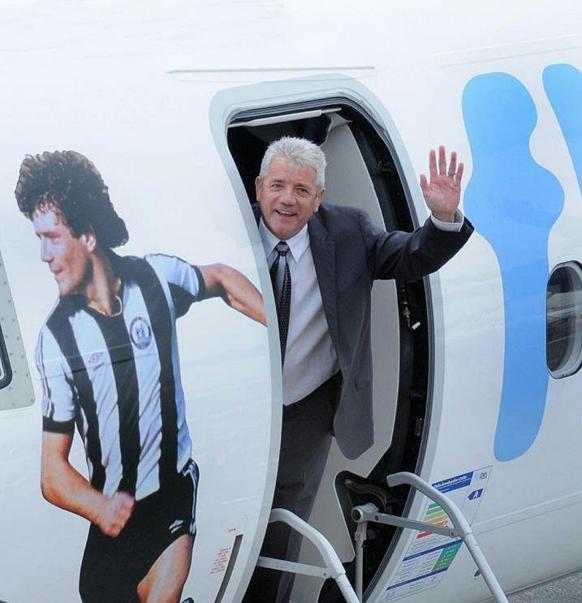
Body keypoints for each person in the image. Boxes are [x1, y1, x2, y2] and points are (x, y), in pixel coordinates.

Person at [17, 150, 266, 603]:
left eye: (52, 238)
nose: (44, 255)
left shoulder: (155, 279)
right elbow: (52, 473)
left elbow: (223, 278)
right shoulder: (56, 339)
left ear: (88, 235)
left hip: (172, 493)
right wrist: (99, 507)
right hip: (115, 516)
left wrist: (282, 334)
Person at [245, 137, 472, 602]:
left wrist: (444, 219)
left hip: (303, 405)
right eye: (278, 186)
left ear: (319, 199)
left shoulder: (347, 231)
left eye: (302, 191)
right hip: (238, 406)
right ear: (258, 188)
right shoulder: (230, 235)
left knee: (284, 522)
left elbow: (410, 256)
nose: (288, 199)